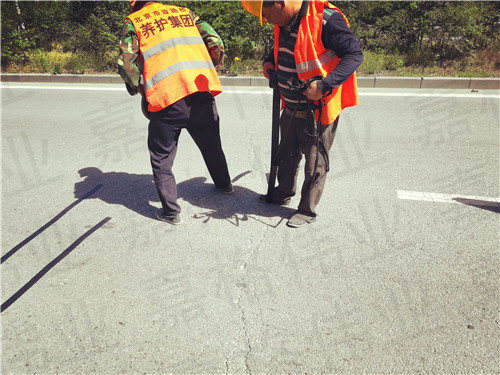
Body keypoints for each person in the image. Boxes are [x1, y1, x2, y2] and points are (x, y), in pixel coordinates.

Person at [241, 0, 363, 228]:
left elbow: (354, 54)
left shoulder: (325, 19)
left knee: (315, 162)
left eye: (266, 15)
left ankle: (307, 209)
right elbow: (282, 48)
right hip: (289, 106)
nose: (266, 22)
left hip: (316, 111)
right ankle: (283, 192)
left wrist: (326, 85)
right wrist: (270, 63)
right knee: (286, 154)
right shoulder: (285, 22)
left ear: (280, 2)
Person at [117, 0, 233, 225]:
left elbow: (126, 63)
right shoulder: (184, 13)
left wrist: (136, 86)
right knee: (211, 143)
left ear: (134, 4)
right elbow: (216, 42)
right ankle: (225, 185)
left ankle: (171, 212)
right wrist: (210, 67)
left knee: (161, 156)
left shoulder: (135, 22)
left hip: (168, 97)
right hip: (200, 90)